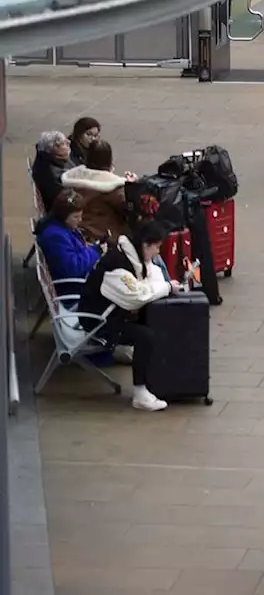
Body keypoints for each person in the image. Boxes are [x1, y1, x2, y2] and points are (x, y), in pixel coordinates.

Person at [76, 221, 182, 412]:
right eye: (157, 247)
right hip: (97, 323)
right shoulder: (118, 267)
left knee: (149, 325)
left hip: (108, 315)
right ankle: (141, 393)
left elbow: (152, 275)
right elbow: (137, 296)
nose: (158, 252)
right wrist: (166, 287)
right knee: (145, 336)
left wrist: (162, 285)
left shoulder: (130, 257)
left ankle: (153, 383)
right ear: (145, 245)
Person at [59, 139, 135, 243]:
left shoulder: (73, 178)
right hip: (102, 234)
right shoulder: (112, 186)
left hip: (77, 229)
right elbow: (129, 207)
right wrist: (133, 185)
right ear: (109, 159)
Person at [35, 190, 102, 293]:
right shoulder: (55, 236)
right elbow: (73, 267)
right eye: (76, 217)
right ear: (63, 215)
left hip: (80, 281)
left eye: (80, 215)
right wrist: (96, 251)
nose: (80, 220)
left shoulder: (60, 228)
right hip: (75, 288)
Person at [31, 130, 76, 211]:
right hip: (64, 211)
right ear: (54, 148)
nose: (68, 142)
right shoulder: (51, 174)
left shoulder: (55, 159)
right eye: (63, 143)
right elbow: (68, 200)